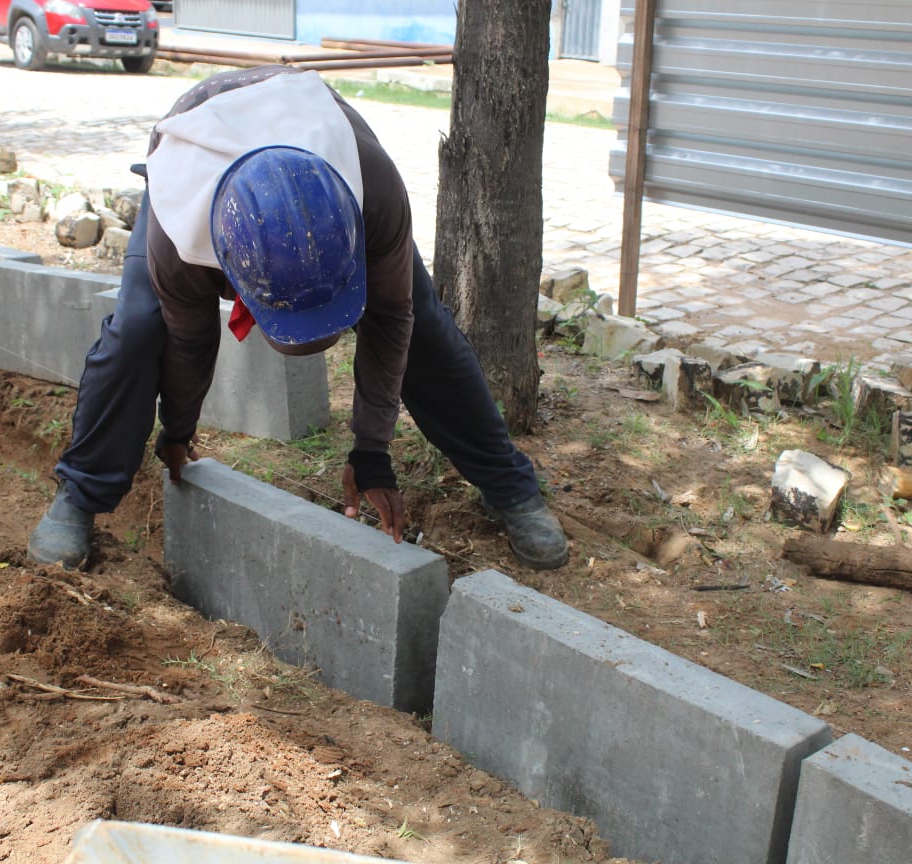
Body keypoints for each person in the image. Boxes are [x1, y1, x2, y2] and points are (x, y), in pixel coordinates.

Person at [28, 65, 568, 571]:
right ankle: (80, 494)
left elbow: (391, 318)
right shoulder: (181, 234)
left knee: (424, 324)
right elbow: (188, 342)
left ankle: (509, 486)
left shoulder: (371, 190)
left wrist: (372, 452)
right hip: (199, 147)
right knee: (139, 328)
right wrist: (178, 427)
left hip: (322, 149)